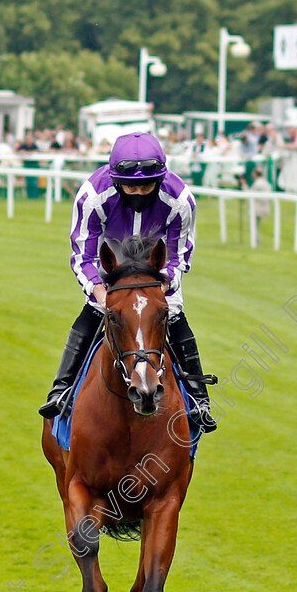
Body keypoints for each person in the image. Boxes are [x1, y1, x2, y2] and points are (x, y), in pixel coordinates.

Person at [39, 132, 217, 433]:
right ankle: (62, 389)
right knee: (94, 309)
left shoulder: (180, 200)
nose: (137, 192)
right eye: (129, 186)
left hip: (155, 264)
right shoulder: (92, 196)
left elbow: (179, 256)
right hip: (112, 261)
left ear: (160, 179)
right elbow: (83, 254)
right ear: (114, 178)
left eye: (145, 185)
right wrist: (98, 288)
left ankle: (200, 400)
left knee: (171, 312)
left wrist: (163, 286)